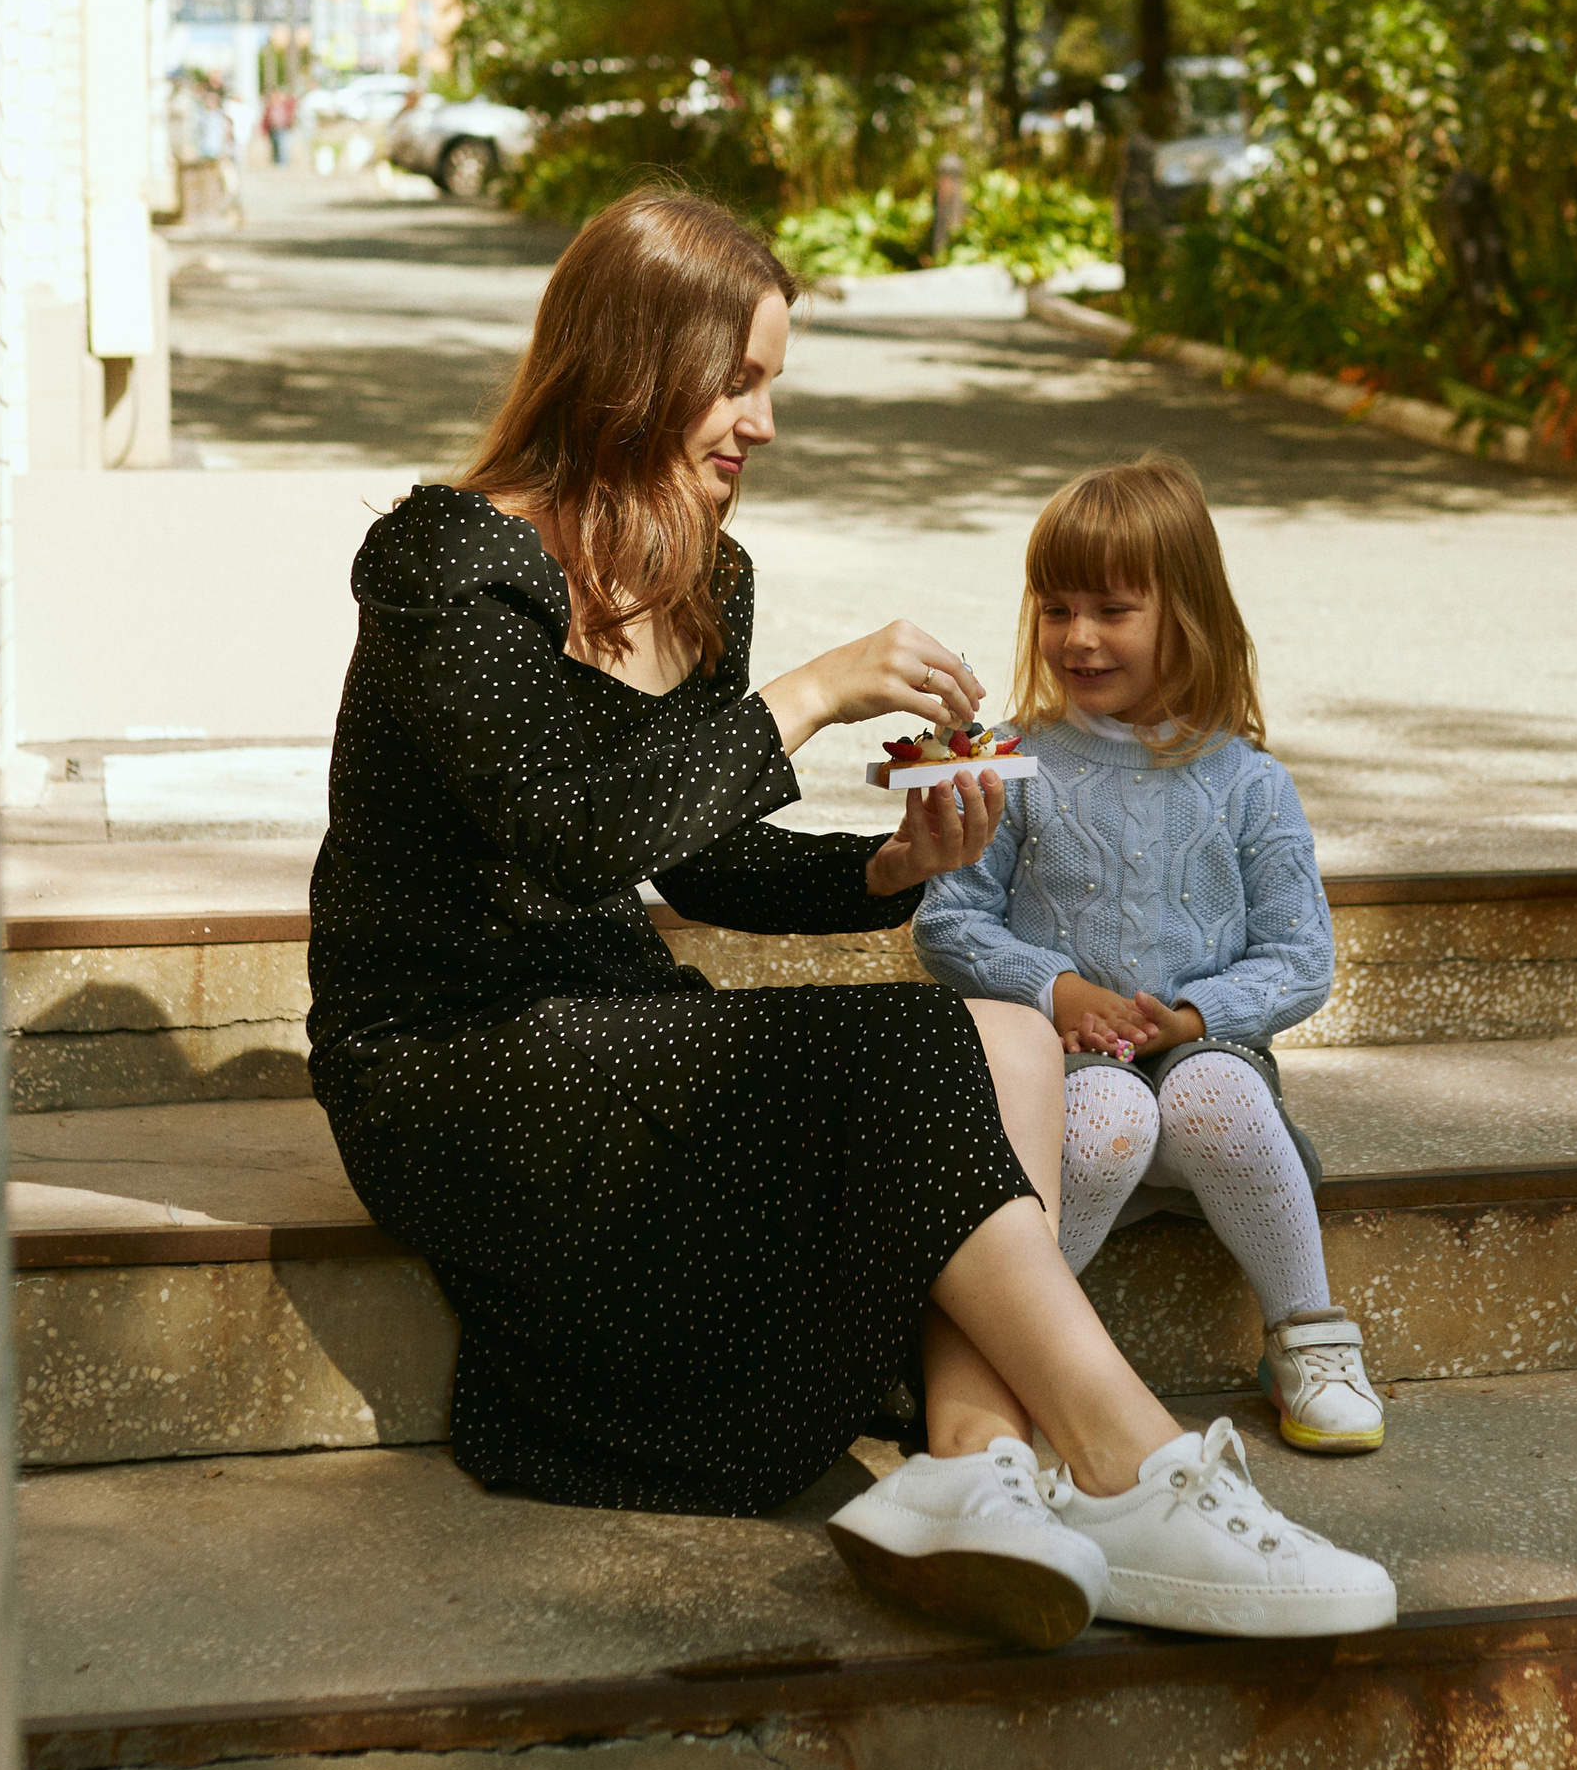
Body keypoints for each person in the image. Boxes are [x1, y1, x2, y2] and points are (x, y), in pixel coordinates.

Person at [306, 188, 1393, 1658]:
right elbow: (570, 830)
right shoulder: (449, 561)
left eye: (772, 386)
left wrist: (888, 869)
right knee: (905, 1057)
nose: (759, 421)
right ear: (636, 360)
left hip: (614, 1018)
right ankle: (1130, 1465)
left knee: (1007, 1031)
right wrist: (812, 692)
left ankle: (966, 1463)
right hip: (451, 1051)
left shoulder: (704, 570)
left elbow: (701, 868)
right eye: (736, 380)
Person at [913, 454, 1385, 1457]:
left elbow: (1300, 959)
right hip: (1078, 1091)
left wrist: (1196, 1018)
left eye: (1113, 609)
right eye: (1055, 607)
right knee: (1115, 1103)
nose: (1077, 636)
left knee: (1205, 1091)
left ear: (1188, 615)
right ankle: (1023, 1354)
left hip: (1212, 1085)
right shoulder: (1011, 759)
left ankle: (1308, 1332)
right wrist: (1056, 989)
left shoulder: (1250, 784)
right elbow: (947, 924)